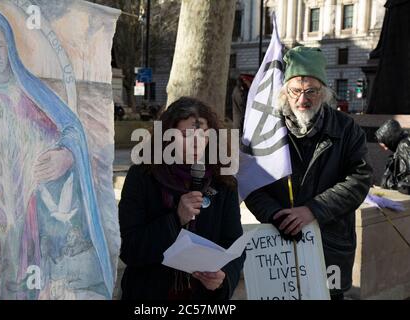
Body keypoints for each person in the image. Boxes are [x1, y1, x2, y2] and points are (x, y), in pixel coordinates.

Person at [0, 9, 113, 299]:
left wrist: (66, 154)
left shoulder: (29, 95)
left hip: (22, 213)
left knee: (19, 284)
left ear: (11, 47)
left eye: (1, 44)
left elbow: (70, 129)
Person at [244, 46, 373, 300]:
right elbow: (252, 183)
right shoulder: (267, 131)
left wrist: (313, 210)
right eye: (296, 90)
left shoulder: (347, 129)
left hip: (330, 245)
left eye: (311, 91)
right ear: (285, 93)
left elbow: (359, 180)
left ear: (324, 93)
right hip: (278, 245)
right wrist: (275, 215)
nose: (303, 99)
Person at [118, 97, 245, 300]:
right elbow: (130, 249)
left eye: (203, 135)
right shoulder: (142, 177)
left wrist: (223, 277)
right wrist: (176, 219)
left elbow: (233, 244)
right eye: (186, 135)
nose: (196, 144)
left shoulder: (223, 181)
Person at [375, 119, 410, 193]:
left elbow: (406, 178)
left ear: (390, 138)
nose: (386, 149)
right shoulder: (404, 143)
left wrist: (389, 184)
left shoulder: (404, 145)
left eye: (386, 144)